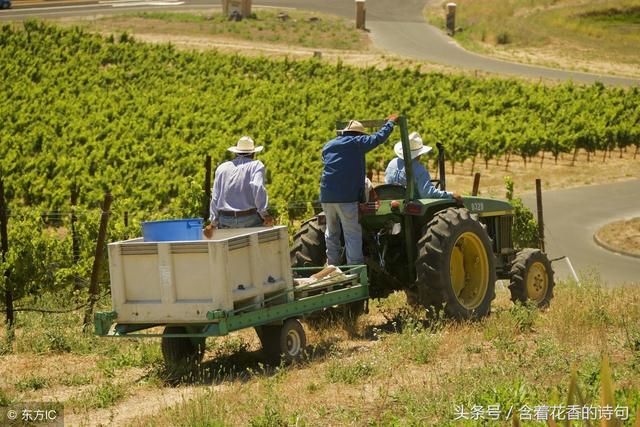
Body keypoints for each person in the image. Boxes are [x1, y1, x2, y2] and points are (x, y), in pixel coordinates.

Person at [320, 114, 399, 265]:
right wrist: (390, 123)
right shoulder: (357, 142)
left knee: (331, 233)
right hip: (346, 198)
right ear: (358, 134)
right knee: (352, 234)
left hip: (326, 196)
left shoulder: (329, 145)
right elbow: (378, 138)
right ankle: (355, 272)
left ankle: (332, 267)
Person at [204, 136, 273, 237]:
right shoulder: (256, 165)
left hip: (225, 220)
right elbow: (258, 188)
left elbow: (215, 196)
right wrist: (265, 214)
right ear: (253, 153)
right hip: (249, 219)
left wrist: (213, 222)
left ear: (236, 152)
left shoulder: (222, 168)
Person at [385, 131, 463, 203]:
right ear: (419, 154)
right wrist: (451, 195)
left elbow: (387, 184)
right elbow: (427, 194)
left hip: (390, 200)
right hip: (410, 206)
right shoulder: (419, 169)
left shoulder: (392, 163)